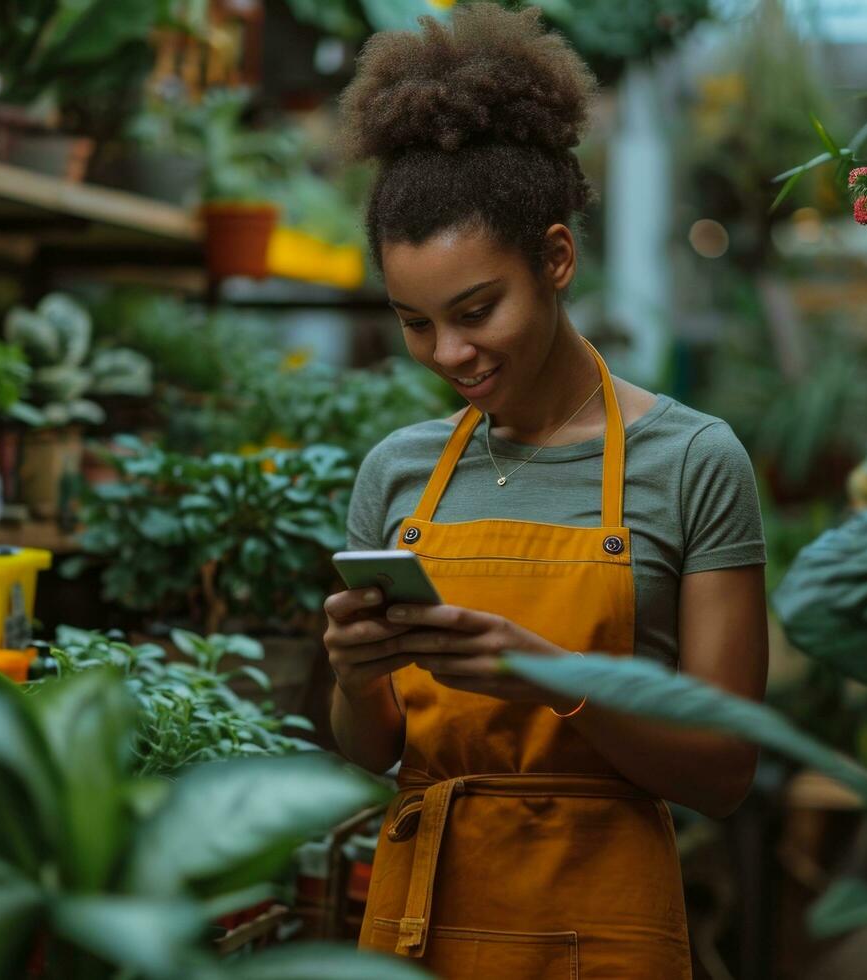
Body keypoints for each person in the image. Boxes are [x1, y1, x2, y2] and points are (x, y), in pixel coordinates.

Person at [324, 6, 769, 977]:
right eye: (415, 321)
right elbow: (371, 746)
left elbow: (726, 769)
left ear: (556, 259)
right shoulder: (397, 471)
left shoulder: (693, 461)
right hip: (417, 927)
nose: (449, 353)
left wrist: (554, 680)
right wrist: (357, 674)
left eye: (477, 310)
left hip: (602, 930)